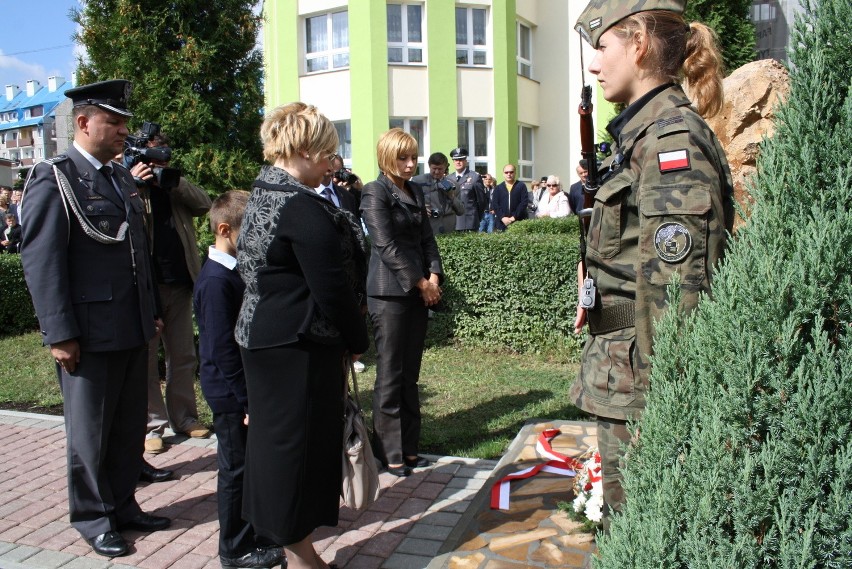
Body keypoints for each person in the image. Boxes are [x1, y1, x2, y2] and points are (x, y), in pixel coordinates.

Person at [570, 0, 733, 528]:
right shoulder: (641, 136)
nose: (595, 65)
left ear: (638, 44)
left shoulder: (670, 141)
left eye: (603, 47)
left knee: (637, 527)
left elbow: (679, 292)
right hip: (624, 367)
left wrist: (670, 402)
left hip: (644, 383)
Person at [20, 79, 170, 558]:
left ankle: (124, 504)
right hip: (87, 331)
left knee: (127, 425)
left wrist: (151, 313)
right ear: (84, 123)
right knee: (90, 430)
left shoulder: (119, 178)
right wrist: (59, 333)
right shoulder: (55, 176)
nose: (124, 131)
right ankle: (92, 517)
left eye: (125, 123)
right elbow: (42, 260)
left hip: (130, 324)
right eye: (115, 122)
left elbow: (137, 254)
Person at [236, 102, 369, 569]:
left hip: (266, 340)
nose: (333, 164)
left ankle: (297, 550)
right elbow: (331, 289)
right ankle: (301, 558)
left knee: (277, 446)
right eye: (328, 154)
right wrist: (359, 339)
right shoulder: (300, 206)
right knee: (293, 454)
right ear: (308, 149)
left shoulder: (262, 191)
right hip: (296, 346)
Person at [194, 190, 284, 569]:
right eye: (252, 230)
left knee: (248, 464)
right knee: (235, 469)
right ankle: (233, 548)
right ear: (226, 229)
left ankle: (254, 531)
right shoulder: (216, 281)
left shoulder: (231, 270)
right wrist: (247, 400)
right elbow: (221, 350)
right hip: (230, 394)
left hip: (242, 390)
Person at [361, 128, 443, 477]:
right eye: (403, 158)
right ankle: (389, 452)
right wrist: (422, 282)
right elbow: (386, 246)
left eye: (414, 157)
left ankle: (410, 449)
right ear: (386, 158)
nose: (411, 164)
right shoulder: (374, 192)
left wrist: (435, 275)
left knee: (410, 374)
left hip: (418, 292)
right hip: (389, 294)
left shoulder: (416, 189)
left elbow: (427, 240)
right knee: (390, 374)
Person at [130, 132, 213, 454]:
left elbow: (204, 204)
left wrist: (173, 181)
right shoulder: (129, 183)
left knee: (183, 356)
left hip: (179, 283)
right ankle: (153, 426)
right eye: (153, 156)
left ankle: (185, 417)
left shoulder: (174, 182)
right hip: (145, 288)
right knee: (148, 360)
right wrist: (135, 185)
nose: (159, 161)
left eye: (163, 155)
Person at [411, 152, 464, 235]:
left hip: (448, 233)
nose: (436, 172)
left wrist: (452, 196)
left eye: (440, 169)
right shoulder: (417, 181)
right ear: (429, 166)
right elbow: (409, 206)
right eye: (434, 168)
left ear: (445, 167)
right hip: (426, 231)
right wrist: (420, 209)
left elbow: (461, 211)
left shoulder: (454, 185)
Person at [449, 147, 486, 231]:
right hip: (452, 223)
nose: (458, 162)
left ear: (465, 161)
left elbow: (481, 201)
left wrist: (476, 217)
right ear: (453, 162)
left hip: (469, 222)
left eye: (461, 159)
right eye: (456, 160)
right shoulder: (449, 178)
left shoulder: (475, 177)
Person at [493, 164, 529, 231]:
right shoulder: (498, 188)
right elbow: (495, 204)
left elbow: (524, 203)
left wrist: (514, 217)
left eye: (511, 172)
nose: (509, 174)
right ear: (503, 174)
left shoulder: (521, 186)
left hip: (519, 221)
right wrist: (502, 217)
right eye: (506, 172)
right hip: (502, 223)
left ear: (515, 173)